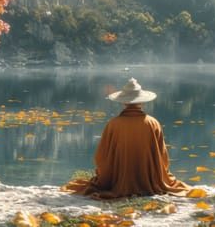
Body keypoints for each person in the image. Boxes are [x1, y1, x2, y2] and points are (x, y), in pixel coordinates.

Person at [62, 77, 191, 199]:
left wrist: (105, 174)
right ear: (141, 101)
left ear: (124, 102)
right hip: (150, 182)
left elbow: (101, 157)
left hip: (117, 183)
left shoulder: (113, 124)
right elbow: (163, 158)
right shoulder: (153, 123)